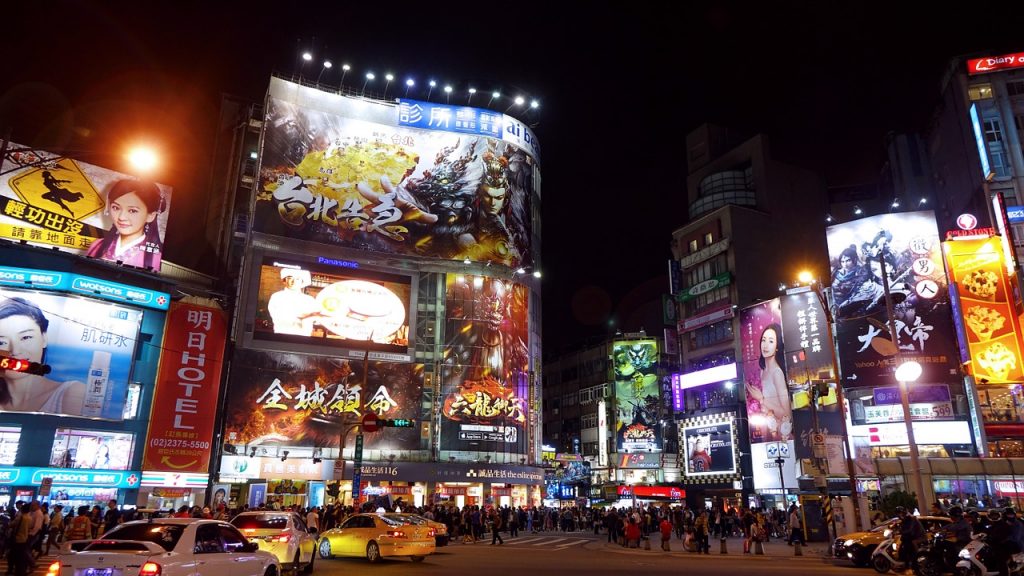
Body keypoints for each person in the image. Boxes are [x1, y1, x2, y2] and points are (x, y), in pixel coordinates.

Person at [0, 296, 86, 416]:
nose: (15, 351)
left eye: (26, 337)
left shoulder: (72, 393)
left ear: (44, 338)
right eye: (2, 342)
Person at [85, 179, 166, 270]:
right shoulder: (97, 245)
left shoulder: (156, 256)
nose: (121, 217)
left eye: (132, 211)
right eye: (116, 208)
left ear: (151, 215)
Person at [746, 323, 792, 441]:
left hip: (784, 433)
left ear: (777, 346)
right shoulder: (763, 371)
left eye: (771, 341)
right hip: (771, 428)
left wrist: (761, 399)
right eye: (763, 340)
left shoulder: (777, 373)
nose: (765, 345)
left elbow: (786, 413)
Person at [266, 268, 321, 336]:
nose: (293, 281)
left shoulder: (309, 300)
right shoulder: (277, 297)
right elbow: (278, 317)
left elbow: (318, 320)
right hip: (282, 337)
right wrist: (304, 317)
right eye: (290, 278)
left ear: (302, 282)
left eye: (297, 279)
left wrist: (315, 318)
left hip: (304, 339)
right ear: (284, 281)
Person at [898, 506, 925, 574]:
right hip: (910, 538)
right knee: (903, 551)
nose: (899, 515)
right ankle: (909, 567)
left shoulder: (911, 518)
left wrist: (902, 532)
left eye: (900, 513)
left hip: (915, 538)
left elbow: (910, 530)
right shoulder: (905, 519)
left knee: (910, 552)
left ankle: (913, 568)